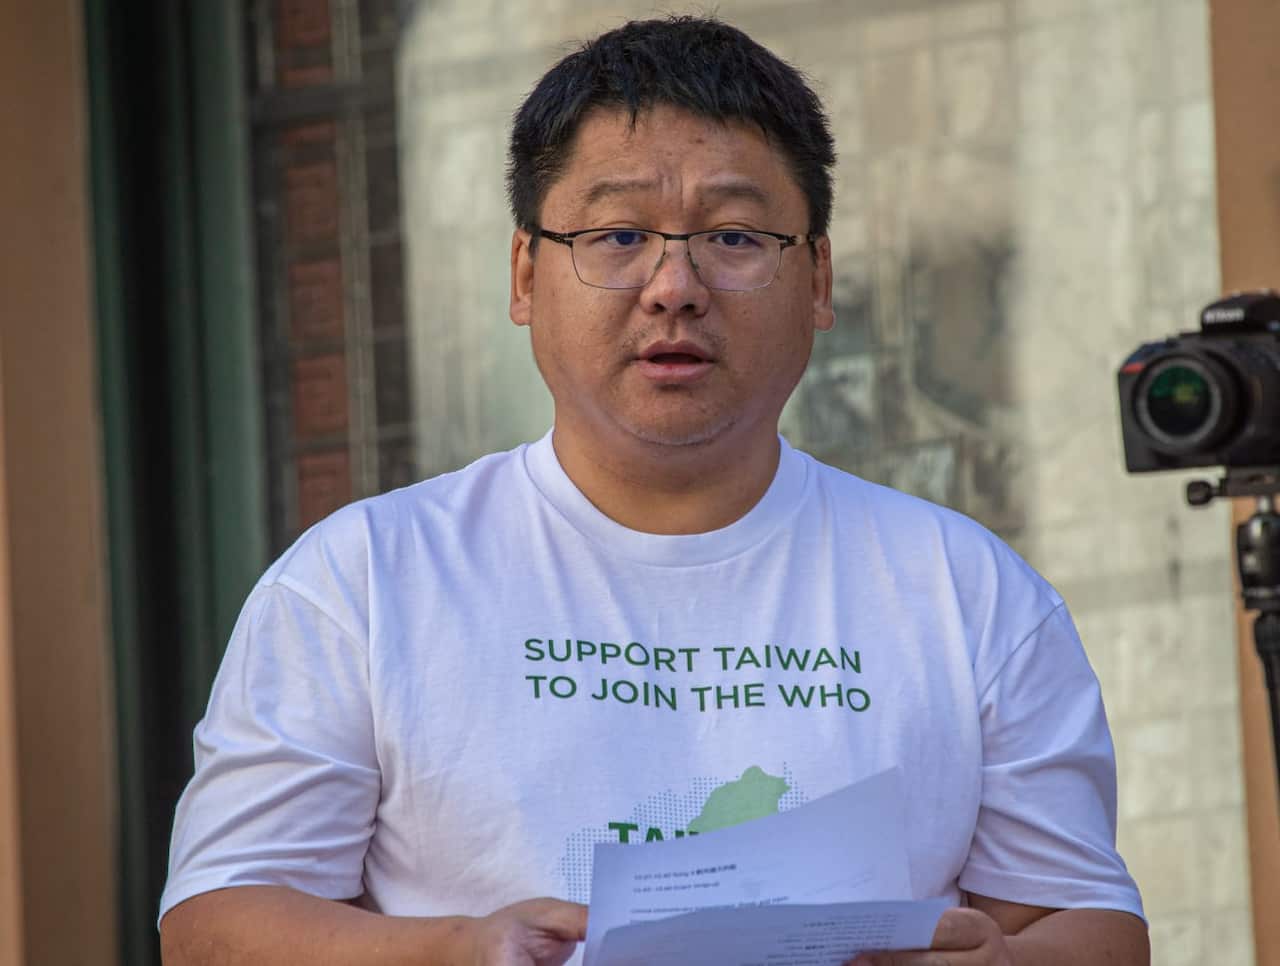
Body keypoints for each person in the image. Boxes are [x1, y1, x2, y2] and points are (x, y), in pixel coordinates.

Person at [159, 15, 1149, 966]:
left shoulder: (967, 592)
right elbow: (214, 929)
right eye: (618, 235)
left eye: (733, 237)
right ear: (522, 274)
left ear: (815, 280)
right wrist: (459, 951)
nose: (672, 285)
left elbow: (1087, 926)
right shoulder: (362, 583)